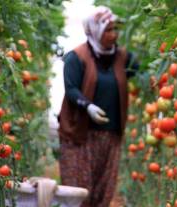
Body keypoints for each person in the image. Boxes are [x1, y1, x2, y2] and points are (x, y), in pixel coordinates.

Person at [57, 6, 138, 207]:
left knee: (104, 188)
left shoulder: (123, 58)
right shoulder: (75, 57)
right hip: (80, 134)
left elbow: (141, 71)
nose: (114, 35)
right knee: (80, 189)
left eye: (116, 29)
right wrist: (88, 107)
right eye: (108, 30)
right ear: (95, 31)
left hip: (110, 135)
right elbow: (71, 88)